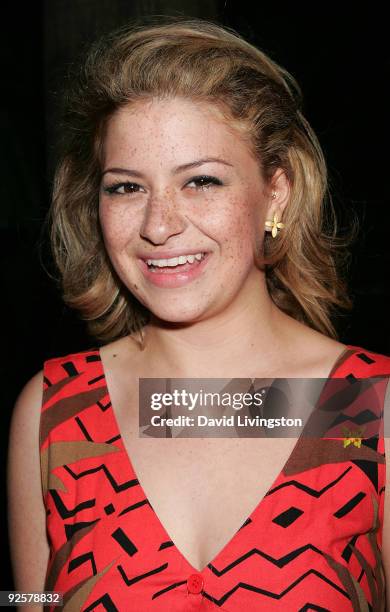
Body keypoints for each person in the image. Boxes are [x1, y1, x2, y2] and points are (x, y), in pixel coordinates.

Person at [7, 15, 390, 611]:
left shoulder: (370, 411)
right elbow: (26, 599)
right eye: (126, 187)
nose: (159, 226)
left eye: (202, 181)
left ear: (276, 193)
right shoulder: (52, 413)